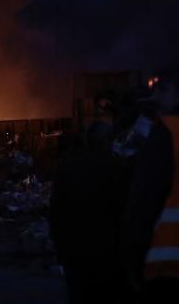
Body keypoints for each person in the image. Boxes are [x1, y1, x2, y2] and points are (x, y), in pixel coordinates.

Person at [49, 121, 130, 303]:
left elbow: (56, 212)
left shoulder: (68, 168)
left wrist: (60, 249)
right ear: (108, 141)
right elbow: (126, 211)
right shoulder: (117, 168)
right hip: (109, 254)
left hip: (76, 254)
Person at [123, 70, 179, 302]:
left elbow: (143, 201)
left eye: (163, 90)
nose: (155, 96)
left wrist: (132, 258)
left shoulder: (167, 135)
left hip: (166, 268)